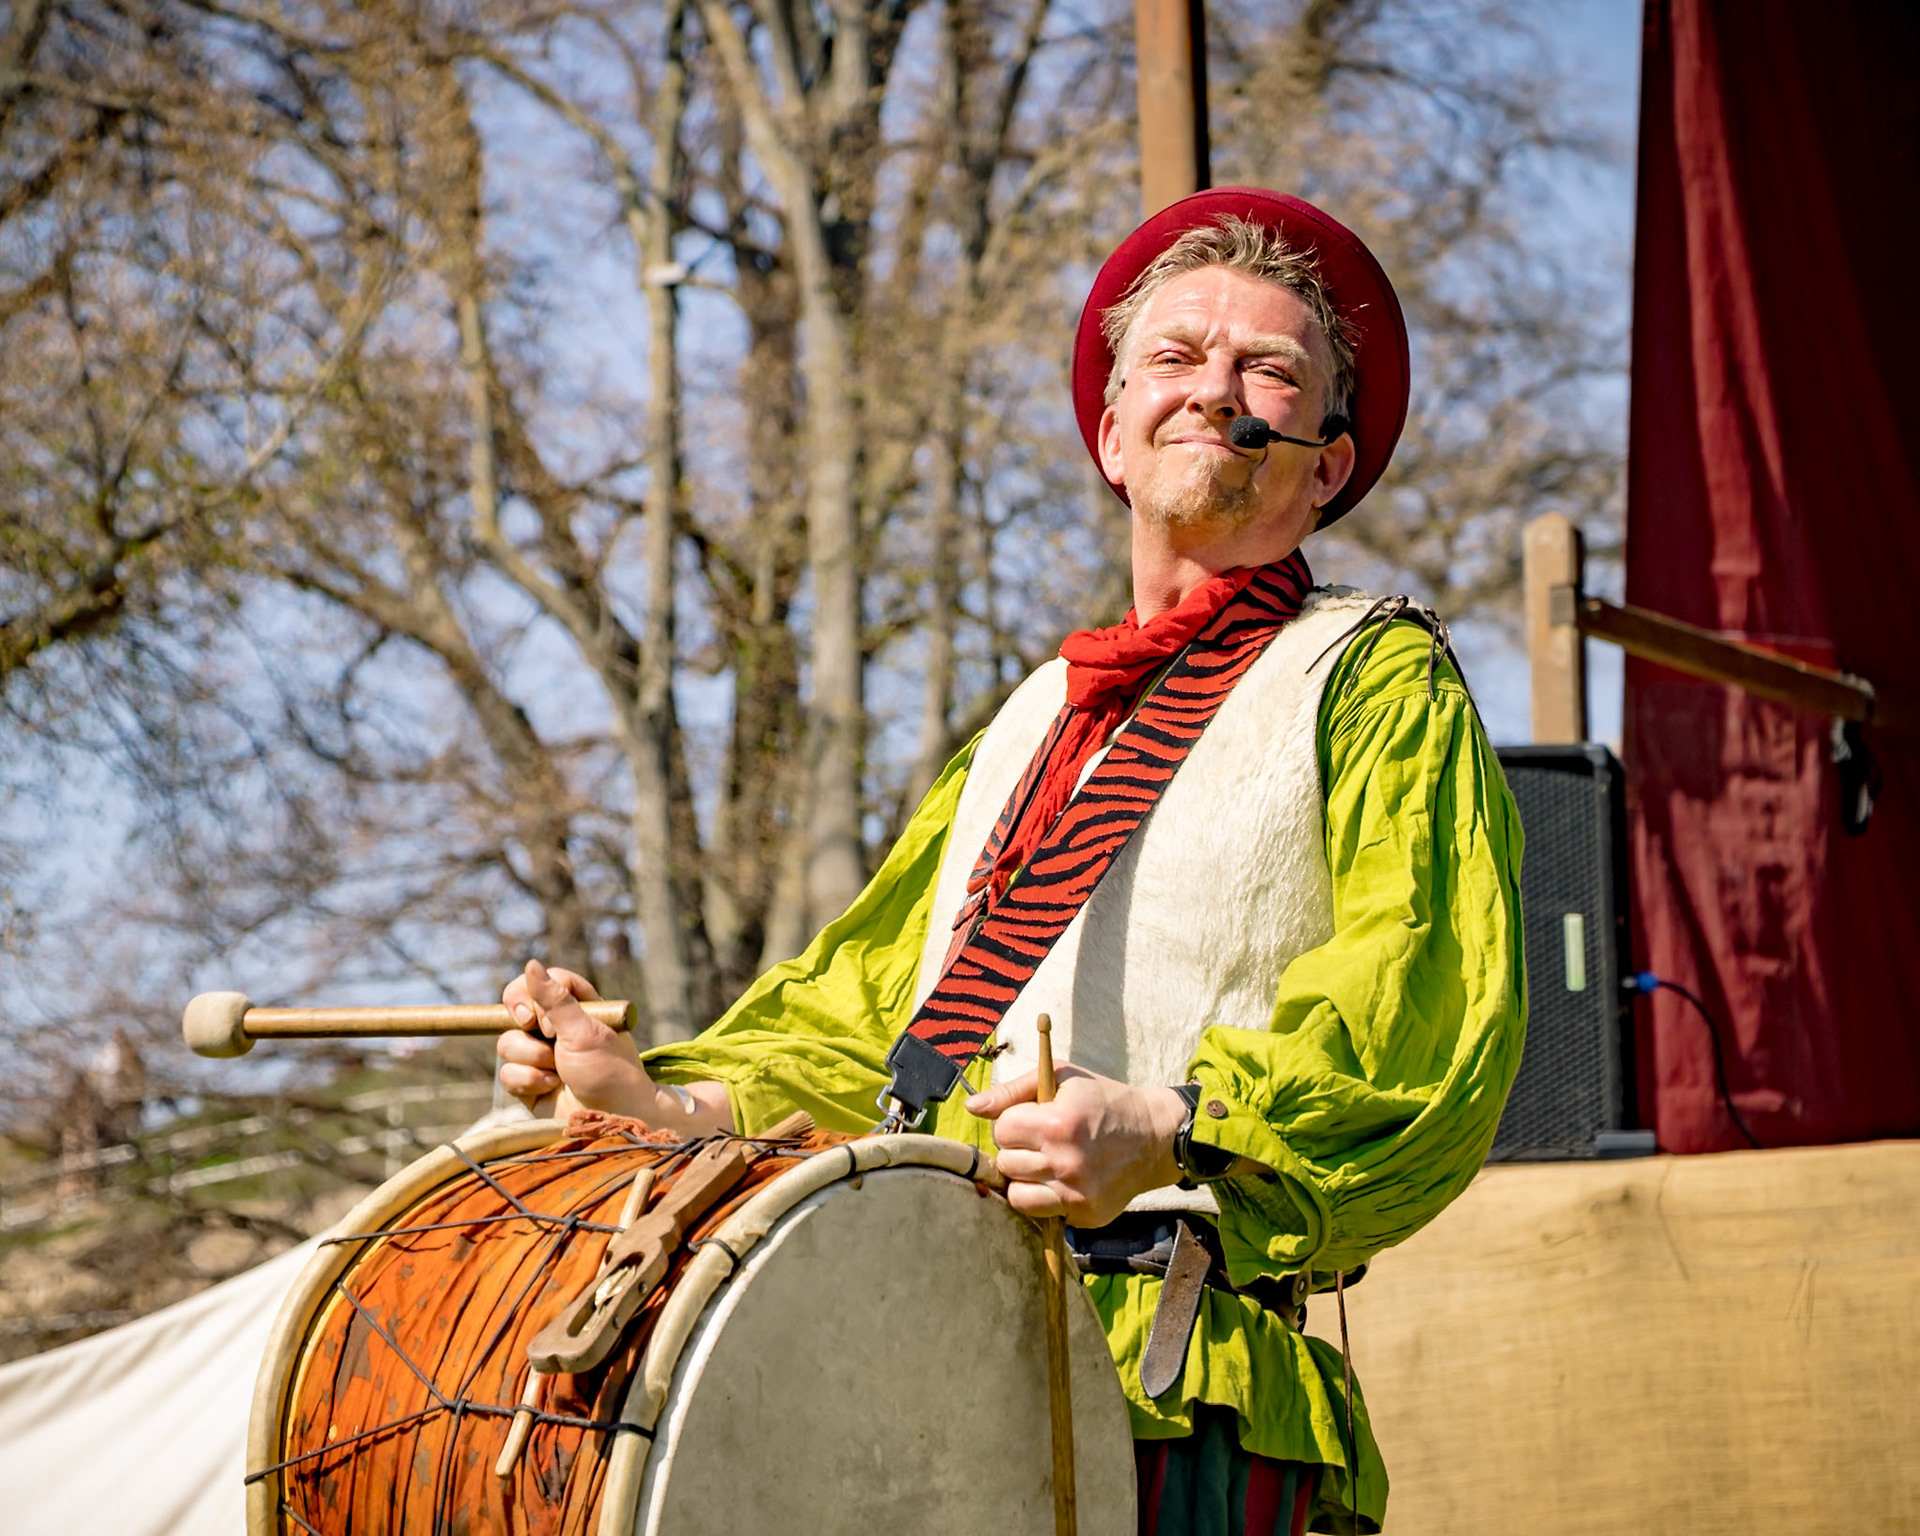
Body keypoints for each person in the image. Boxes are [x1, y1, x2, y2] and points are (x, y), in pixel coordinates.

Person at [496, 187, 1525, 1535]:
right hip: (918, 1386)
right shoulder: (1029, 720)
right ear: (1111, 433)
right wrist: (656, 1098)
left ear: (1325, 466)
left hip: (1180, 1397)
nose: (1214, 388)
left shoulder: (1376, 680)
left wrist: (1168, 1126)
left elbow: (1425, 1032)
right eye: (1174, 357)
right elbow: (869, 1037)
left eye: (1267, 369)